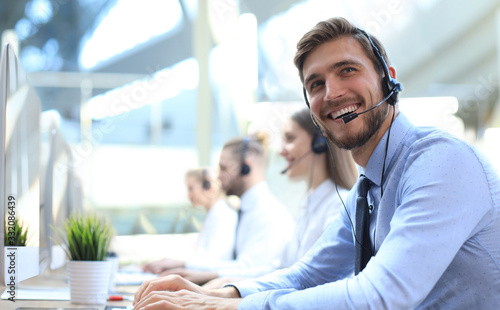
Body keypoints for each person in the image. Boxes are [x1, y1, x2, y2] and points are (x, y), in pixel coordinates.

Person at [133, 17, 500, 309]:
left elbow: (382, 296)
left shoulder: (441, 161)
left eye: (347, 70)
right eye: (315, 84)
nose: (332, 93)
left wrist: (230, 309)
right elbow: (306, 275)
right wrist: (219, 295)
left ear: (388, 76)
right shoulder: (366, 191)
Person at [151, 133, 295, 285]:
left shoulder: (268, 213)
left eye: (223, 168)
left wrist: (187, 266)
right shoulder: (248, 209)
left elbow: (252, 270)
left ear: (246, 167)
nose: (218, 177)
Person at [142, 168, 238, 275]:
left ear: (209, 186)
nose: (188, 195)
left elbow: (215, 262)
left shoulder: (223, 214)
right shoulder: (214, 214)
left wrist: (179, 264)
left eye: (191, 189)